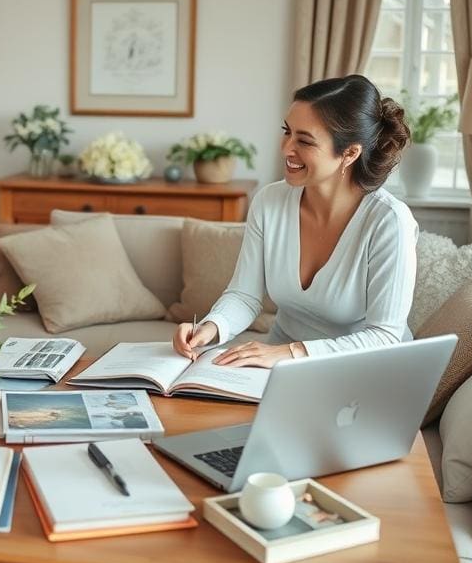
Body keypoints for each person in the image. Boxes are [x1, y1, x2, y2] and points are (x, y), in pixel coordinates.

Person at [172, 74, 415, 368]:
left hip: (359, 372)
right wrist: (209, 329)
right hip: (278, 366)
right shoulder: (269, 201)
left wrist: (291, 352)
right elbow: (244, 295)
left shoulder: (389, 222)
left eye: (304, 140)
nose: (287, 148)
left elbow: (384, 336)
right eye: (287, 132)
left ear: (349, 153)